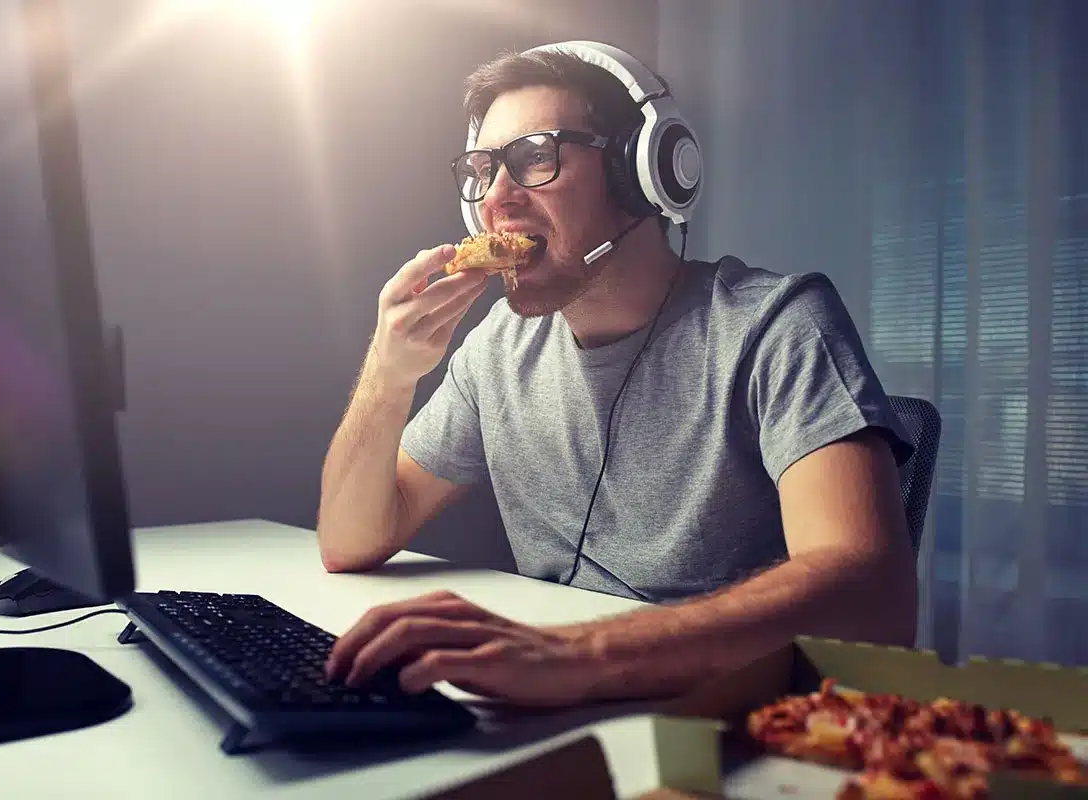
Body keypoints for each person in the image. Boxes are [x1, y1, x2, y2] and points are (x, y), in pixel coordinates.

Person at [315, 43, 918, 707]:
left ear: (644, 172)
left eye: (536, 157)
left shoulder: (775, 324)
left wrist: (578, 654)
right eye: (482, 172)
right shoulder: (498, 351)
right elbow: (350, 540)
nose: (496, 200)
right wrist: (388, 372)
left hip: (725, 720)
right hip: (553, 706)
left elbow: (874, 596)